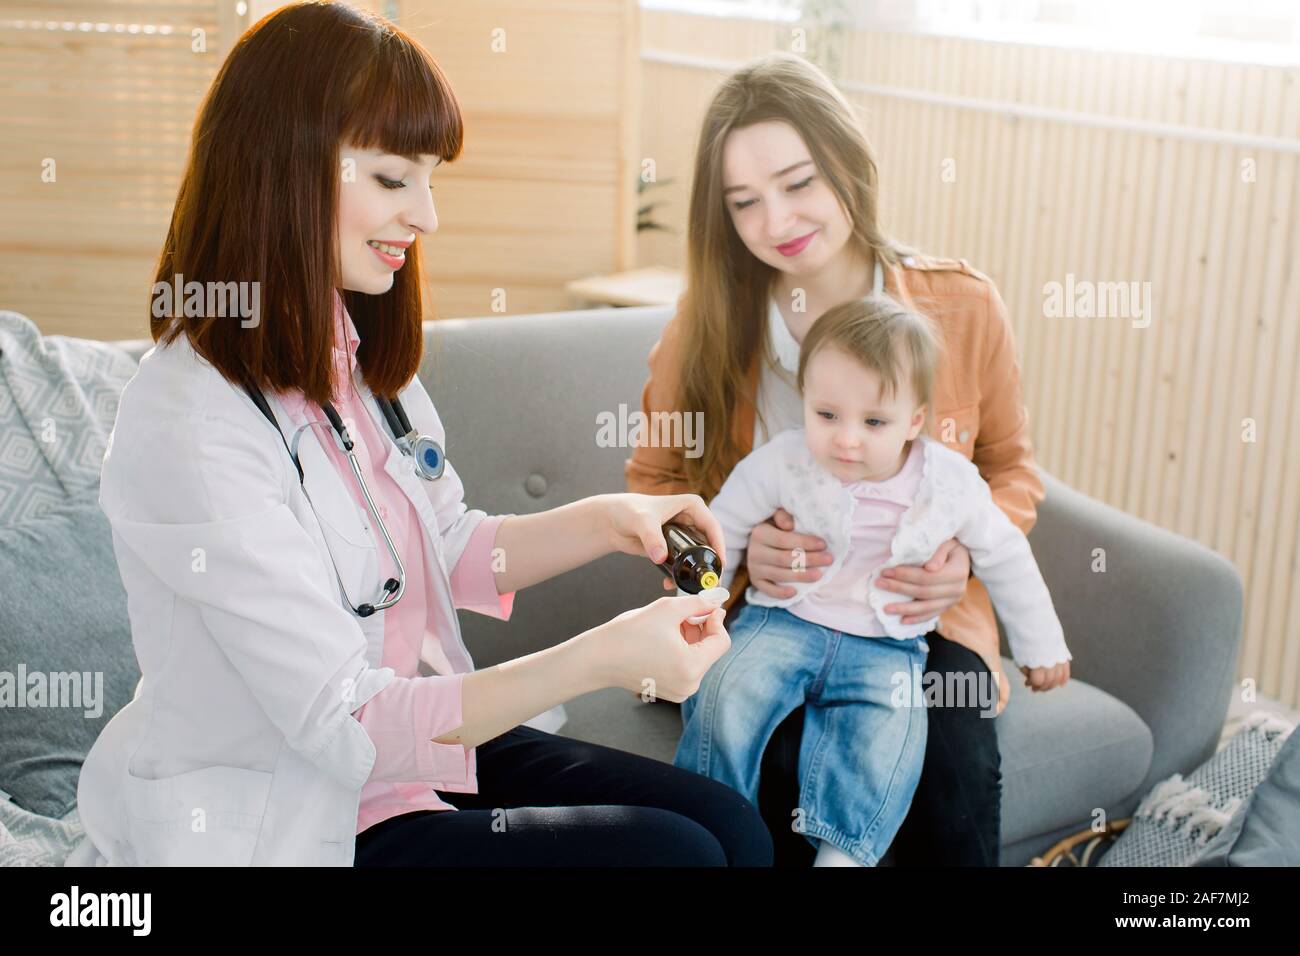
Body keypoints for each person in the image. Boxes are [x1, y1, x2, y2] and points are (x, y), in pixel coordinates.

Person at [70, 1, 772, 868]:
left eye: (430, 179)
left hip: (422, 754)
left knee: (735, 830)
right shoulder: (190, 421)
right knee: (680, 857)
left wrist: (611, 519)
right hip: (301, 808)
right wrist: (602, 658)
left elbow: (446, 543)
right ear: (279, 167)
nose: (427, 216)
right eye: (395, 180)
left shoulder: (350, 356)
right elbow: (345, 723)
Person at [627, 51, 1049, 866]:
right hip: (776, 617)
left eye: (798, 182)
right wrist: (729, 565)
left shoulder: (961, 307)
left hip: (922, 619)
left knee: (953, 767)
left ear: (848, 166)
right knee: (781, 764)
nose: (776, 220)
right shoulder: (702, 331)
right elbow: (654, 486)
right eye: (743, 202)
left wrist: (960, 555)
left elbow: (1011, 464)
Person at [673, 296, 1071, 867]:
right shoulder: (784, 461)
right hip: (783, 622)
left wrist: (1041, 646)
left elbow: (1007, 554)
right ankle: (709, 819)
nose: (846, 440)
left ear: (914, 420)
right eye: (827, 415)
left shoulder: (949, 483)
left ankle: (844, 853)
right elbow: (722, 523)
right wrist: (693, 601)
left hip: (887, 646)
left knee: (886, 740)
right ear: (805, 400)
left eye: (874, 422)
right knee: (724, 693)